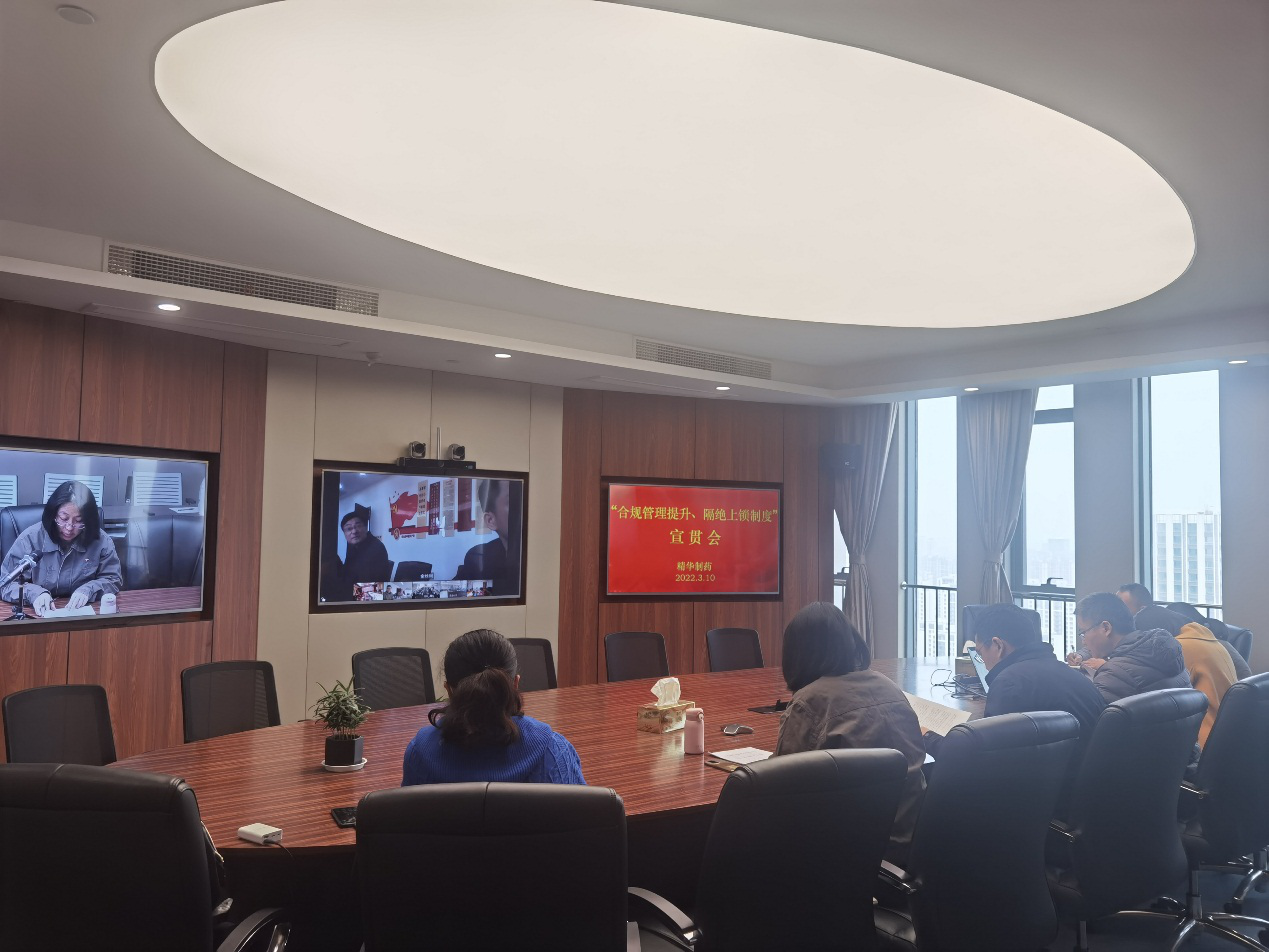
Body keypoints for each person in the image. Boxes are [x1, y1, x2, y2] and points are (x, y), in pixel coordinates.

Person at [774, 602, 926, 865]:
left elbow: (777, 791)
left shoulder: (809, 702)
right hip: (909, 844)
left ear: (796, 654)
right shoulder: (888, 686)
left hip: (848, 857)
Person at [402, 628, 584, 786]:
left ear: (449, 690)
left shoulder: (419, 754)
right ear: (515, 684)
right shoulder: (553, 750)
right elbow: (581, 813)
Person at [966, 602, 1106, 738]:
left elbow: (994, 747)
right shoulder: (1076, 676)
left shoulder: (1009, 683)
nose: (983, 663)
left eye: (980, 653)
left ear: (998, 645)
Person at [0, 479, 122, 616]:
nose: (69, 527)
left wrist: (89, 590)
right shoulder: (29, 539)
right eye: (63, 519)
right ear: (53, 515)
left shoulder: (101, 541)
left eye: (79, 521)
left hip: (83, 614)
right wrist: (35, 594)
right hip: (37, 614)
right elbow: (5, 584)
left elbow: (113, 579)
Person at [1134, 605, 1237, 748]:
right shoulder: (1206, 640)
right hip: (1227, 733)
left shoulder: (1178, 648)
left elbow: (1152, 690)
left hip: (1203, 741)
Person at [1075, 592, 1190, 703]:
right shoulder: (1169, 654)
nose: (1084, 642)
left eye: (1083, 632)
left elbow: (1096, 716)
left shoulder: (1114, 675)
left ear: (1106, 628)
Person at [454, 479, 521, 596]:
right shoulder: (478, 558)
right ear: (491, 520)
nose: (525, 507)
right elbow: (455, 595)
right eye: (515, 500)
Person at [332, 504, 392, 600]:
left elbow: (369, 588)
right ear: (344, 534)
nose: (354, 531)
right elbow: (348, 573)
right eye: (349, 529)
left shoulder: (376, 548)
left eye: (358, 526)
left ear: (365, 527)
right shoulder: (354, 546)